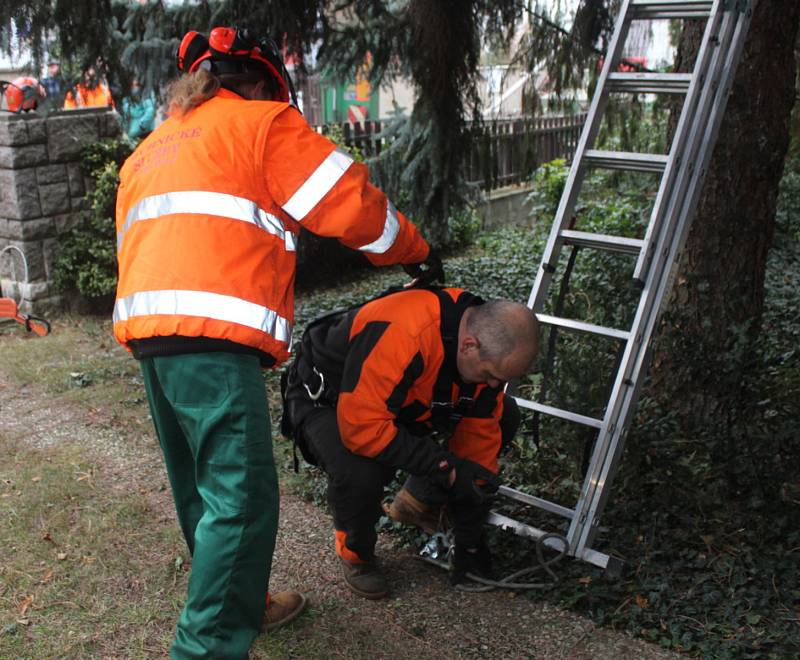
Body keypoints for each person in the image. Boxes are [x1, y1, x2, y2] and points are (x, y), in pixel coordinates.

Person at [112, 25, 439, 659]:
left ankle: (242, 603)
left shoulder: (149, 151)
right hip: (210, 338)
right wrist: (416, 251)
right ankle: (202, 649)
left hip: (152, 337)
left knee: (202, 488)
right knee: (241, 498)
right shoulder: (261, 124)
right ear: (262, 83)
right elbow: (351, 205)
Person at [281, 287, 539, 598]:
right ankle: (356, 553)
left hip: (397, 402)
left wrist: (470, 528)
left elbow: (478, 441)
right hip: (331, 404)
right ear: (469, 345)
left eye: (502, 379)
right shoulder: (405, 330)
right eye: (491, 375)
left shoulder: (481, 352)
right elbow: (361, 428)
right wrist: (442, 466)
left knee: (503, 415)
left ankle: (415, 503)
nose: (494, 384)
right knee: (361, 472)